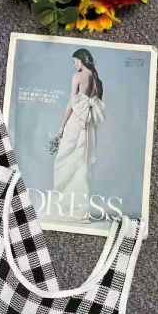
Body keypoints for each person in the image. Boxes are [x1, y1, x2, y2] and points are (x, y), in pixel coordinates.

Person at [53, 48, 105, 221]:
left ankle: (66, 207)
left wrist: (61, 126)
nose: (74, 65)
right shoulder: (99, 81)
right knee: (83, 165)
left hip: (75, 123)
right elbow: (97, 106)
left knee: (65, 160)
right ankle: (79, 210)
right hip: (89, 127)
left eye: (75, 61)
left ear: (81, 60)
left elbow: (70, 104)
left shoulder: (77, 77)